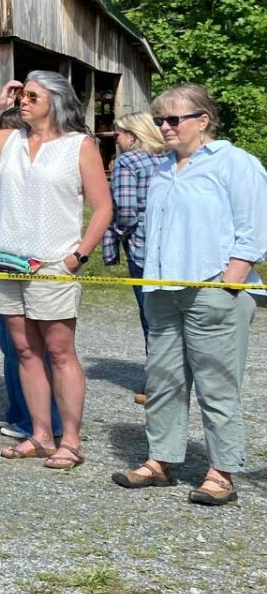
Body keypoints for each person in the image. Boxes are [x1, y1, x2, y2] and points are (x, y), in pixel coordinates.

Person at [0, 71, 113, 470]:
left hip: (54, 262)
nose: (24, 101)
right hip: (8, 260)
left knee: (59, 351)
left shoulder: (79, 146)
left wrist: (79, 256)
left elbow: (103, 207)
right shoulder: (10, 140)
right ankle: (39, 434)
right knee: (24, 351)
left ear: (55, 101)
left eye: (32, 96)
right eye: (22, 96)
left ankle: (69, 440)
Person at [112, 84, 267, 505]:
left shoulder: (236, 164)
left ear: (203, 120)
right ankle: (161, 460)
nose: (164, 126)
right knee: (162, 380)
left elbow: (253, 230)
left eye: (173, 119)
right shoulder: (163, 168)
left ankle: (222, 471)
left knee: (217, 384)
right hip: (163, 288)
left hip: (213, 287)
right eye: (160, 119)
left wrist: (231, 281)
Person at [0, 163, 65, 444]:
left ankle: (42, 422)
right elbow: (6, 215)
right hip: (4, 268)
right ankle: (18, 413)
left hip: (29, 271)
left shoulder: (35, 175)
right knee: (11, 349)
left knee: (30, 352)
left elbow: (35, 213)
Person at [102, 111, 168, 403]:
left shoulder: (128, 162)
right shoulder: (168, 158)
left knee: (150, 316)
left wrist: (117, 232)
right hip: (171, 246)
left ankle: (156, 381)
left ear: (133, 135)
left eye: (119, 132)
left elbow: (126, 210)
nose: (116, 137)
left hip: (142, 246)